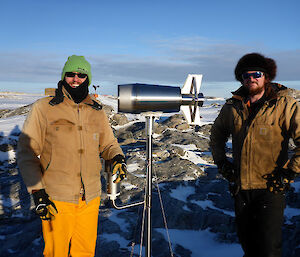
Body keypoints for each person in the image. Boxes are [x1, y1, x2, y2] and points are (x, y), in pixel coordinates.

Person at [17, 55, 127, 257]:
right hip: (56, 198)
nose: (76, 79)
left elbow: (109, 144)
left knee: (85, 252)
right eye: (71, 74)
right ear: (63, 76)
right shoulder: (44, 108)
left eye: (81, 75)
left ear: (88, 79)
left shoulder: (97, 110)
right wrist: (38, 192)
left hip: (90, 198)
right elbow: (27, 152)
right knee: (55, 253)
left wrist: (117, 157)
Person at [210, 53, 300, 257]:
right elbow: (216, 136)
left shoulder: (283, 105)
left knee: (268, 250)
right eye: (246, 75)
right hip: (241, 189)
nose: (251, 78)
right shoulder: (233, 106)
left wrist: (289, 172)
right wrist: (222, 163)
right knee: (248, 247)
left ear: (266, 76)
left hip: (270, 188)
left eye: (256, 74)